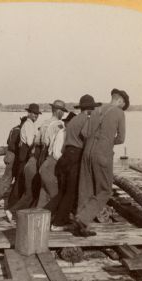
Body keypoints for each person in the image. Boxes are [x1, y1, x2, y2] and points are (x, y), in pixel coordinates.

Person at [73, 89, 128, 237]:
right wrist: (108, 140)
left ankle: (80, 227)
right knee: (105, 190)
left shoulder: (96, 110)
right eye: (123, 105)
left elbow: (84, 133)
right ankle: (83, 218)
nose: (122, 108)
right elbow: (121, 139)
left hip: (87, 153)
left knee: (86, 188)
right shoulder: (119, 113)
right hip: (102, 154)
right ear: (120, 101)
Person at [46, 95, 101, 230]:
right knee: (71, 192)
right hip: (75, 157)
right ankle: (58, 223)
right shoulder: (87, 119)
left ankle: (46, 217)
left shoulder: (74, 119)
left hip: (66, 156)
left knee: (63, 192)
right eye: (93, 109)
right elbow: (86, 135)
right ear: (90, 109)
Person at [5, 103, 41, 221]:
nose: (36, 116)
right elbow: (30, 142)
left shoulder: (28, 124)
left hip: (23, 154)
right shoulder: (29, 125)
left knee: (20, 181)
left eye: (37, 114)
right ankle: (12, 208)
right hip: (25, 155)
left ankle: (11, 206)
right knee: (21, 182)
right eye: (34, 114)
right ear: (29, 113)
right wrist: (38, 140)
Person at [0, 115, 26, 207]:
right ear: (23, 123)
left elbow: (8, 142)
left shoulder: (13, 129)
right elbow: (14, 145)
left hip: (8, 155)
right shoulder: (19, 131)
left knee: (8, 179)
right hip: (13, 157)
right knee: (6, 180)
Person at [35, 100, 69, 208]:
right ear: (58, 111)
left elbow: (37, 141)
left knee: (44, 190)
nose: (63, 114)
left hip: (42, 155)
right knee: (54, 191)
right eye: (62, 111)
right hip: (52, 158)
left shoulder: (44, 123)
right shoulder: (59, 125)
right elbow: (57, 146)